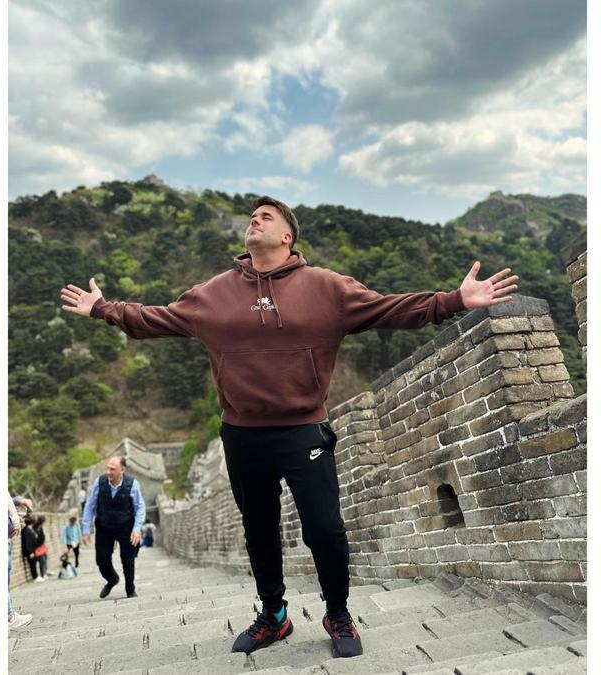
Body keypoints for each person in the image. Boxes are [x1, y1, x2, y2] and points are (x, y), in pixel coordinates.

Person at [60, 195, 519, 658]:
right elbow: (154, 318)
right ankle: (274, 615)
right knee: (259, 529)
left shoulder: (327, 288)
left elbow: (389, 309)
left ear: (287, 236)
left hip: (303, 430)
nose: (253, 221)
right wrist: (104, 309)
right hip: (241, 435)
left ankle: (337, 611)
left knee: (325, 529)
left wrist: (455, 300)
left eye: (266, 217)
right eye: (251, 217)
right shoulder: (213, 293)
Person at [81, 457, 145, 599]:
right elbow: (89, 506)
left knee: (127, 560)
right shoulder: (100, 482)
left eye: (112, 469)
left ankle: (130, 589)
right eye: (107, 468)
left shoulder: (133, 485)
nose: (108, 472)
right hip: (104, 527)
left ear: (122, 470)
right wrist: (86, 530)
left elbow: (140, 508)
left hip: (125, 526)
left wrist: (136, 528)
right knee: (101, 560)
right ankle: (112, 579)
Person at [7, 494, 33, 629]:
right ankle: (9, 616)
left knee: (5, 580)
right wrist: (16, 521)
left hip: (8, 536)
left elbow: (7, 498)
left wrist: (19, 500)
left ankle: (9, 615)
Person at [20, 515, 42, 582]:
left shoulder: (29, 529)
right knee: (32, 564)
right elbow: (27, 542)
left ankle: (36, 576)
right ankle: (35, 577)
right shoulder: (25, 530)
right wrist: (30, 552)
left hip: (33, 550)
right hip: (30, 551)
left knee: (34, 563)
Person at [34, 516, 49, 580]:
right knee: (42, 560)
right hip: (39, 546)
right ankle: (43, 574)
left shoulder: (39, 527)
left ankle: (45, 572)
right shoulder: (37, 527)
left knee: (44, 558)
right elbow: (38, 538)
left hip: (41, 546)